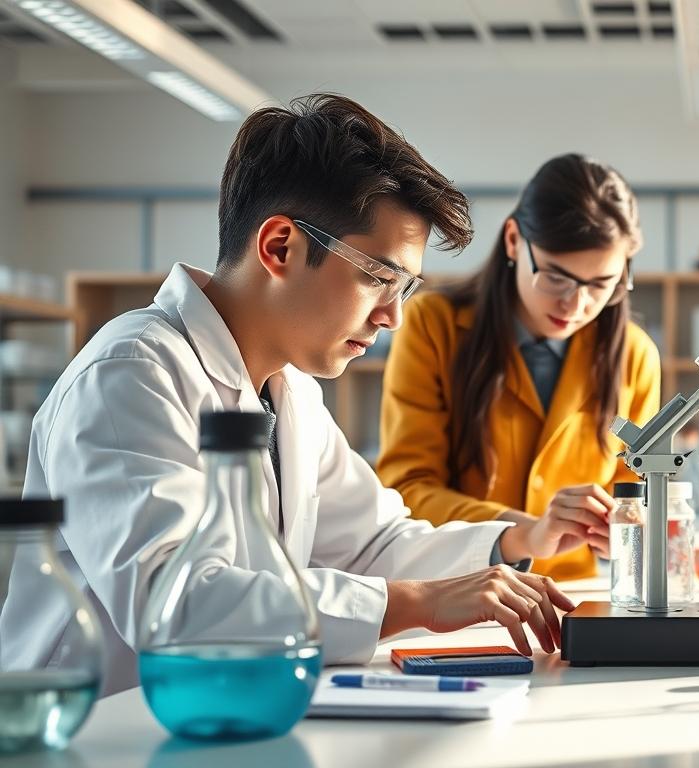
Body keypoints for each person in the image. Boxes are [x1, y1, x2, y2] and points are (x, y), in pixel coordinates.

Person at [0, 94, 577, 696]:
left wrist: (513, 545)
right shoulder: (129, 374)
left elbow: (373, 544)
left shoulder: (290, 390)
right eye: (379, 278)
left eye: (406, 288)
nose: (393, 318)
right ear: (279, 247)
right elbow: (175, 607)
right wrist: (415, 604)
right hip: (95, 735)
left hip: (228, 716)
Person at [377, 154, 660, 580]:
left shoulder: (634, 355)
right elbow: (407, 489)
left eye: (602, 284)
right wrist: (524, 531)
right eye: (556, 278)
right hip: (458, 589)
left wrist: (623, 526)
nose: (576, 304)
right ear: (514, 240)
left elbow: (635, 493)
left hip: (574, 596)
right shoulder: (432, 326)